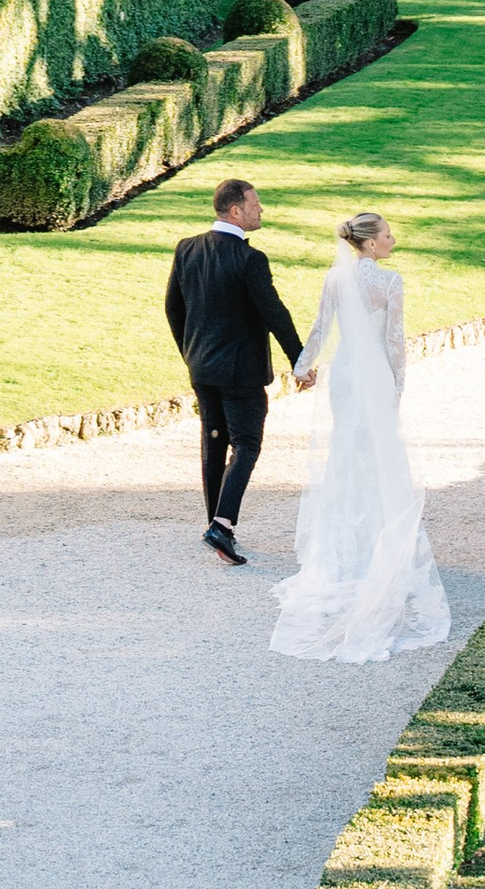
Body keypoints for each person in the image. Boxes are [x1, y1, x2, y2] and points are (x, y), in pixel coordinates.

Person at [270, 209, 450, 663]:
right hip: (372, 377)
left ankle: (345, 552)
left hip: (346, 376)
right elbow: (394, 340)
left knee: (346, 456)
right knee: (382, 458)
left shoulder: (335, 279)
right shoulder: (389, 283)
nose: (393, 240)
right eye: (388, 235)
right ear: (370, 244)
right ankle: (380, 551)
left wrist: (302, 366)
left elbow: (319, 328)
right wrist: (398, 386)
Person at [163, 175, 303, 566]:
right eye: (256, 205)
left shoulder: (187, 249)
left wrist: (190, 354)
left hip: (202, 368)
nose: (262, 211)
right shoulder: (249, 259)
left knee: (214, 443)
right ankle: (221, 527)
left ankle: (215, 525)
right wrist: (300, 360)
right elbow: (274, 312)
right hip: (240, 371)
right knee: (247, 444)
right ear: (236, 210)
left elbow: (173, 308)